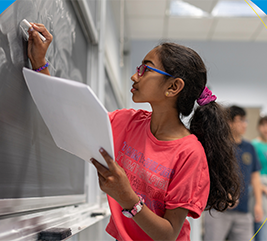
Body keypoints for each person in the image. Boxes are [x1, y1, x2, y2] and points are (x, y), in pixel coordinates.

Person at [27, 23, 241, 241]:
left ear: (173, 87)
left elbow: (168, 235)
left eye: (146, 69)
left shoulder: (190, 153)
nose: (134, 76)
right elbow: (67, 122)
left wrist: (127, 197)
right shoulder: (127, 121)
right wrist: (39, 63)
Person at [204, 105, 263, 241]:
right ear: (229, 122)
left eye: (245, 120)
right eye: (240, 120)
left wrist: (258, 204)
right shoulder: (218, 147)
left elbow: (255, 177)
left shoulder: (249, 148)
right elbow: (209, 175)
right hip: (218, 210)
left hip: (243, 211)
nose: (245, 124)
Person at [251, 116, 267, 241]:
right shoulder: (253, 145)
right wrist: (262, 187)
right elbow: (250, 172)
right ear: (259, 127)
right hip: (259, 187)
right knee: (261, 227)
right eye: (263, 125)